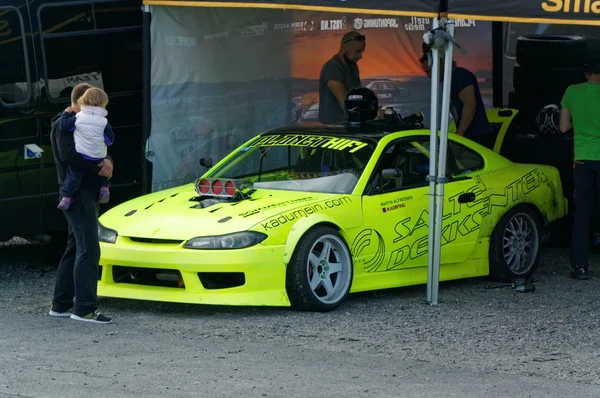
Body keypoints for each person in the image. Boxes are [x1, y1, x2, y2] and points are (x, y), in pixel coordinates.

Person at [49, 82, 114, 324]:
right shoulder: (66, 123)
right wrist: (100, 166)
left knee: (75, 246)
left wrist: (107, 159)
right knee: (89, 248)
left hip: (82, 192)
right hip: (78, 193)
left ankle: (62, 304)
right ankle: (85, 308)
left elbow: (97, 146)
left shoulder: (84, 123)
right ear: (80, 101)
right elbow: (69, 156)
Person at [559, 58, 600, 280]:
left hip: (583, 159)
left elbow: (564, 126)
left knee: (582, 214)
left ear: (586, 73)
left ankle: (580, 267)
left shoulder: (572, 91)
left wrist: (581, 121)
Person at [420, 53, 494, 149]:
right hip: (471, 137)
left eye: (430, 70)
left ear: (441, 63)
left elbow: (470, 105)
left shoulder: (458, 75)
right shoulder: (450, 79)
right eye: (426, 72)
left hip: (477, 137)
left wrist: (459, 135)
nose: (429, 75)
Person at [57, 87, 115, 210]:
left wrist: (65, 114)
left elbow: (65, 126)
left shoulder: (78, 118)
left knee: (74, 173)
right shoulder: (104, 121)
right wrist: (101, 163)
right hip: (97, 158)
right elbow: (109, 140)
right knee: (101, 168)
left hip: (83, 158)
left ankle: (67, 196)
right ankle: (105, 188)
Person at [318, 30, 365, 123]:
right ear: (344, 47)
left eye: (361, 52)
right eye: (357, 52)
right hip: (334, 128)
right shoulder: (333, 67)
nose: (360, 56)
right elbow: (346, 103)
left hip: (348, 125)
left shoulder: (352, 67)